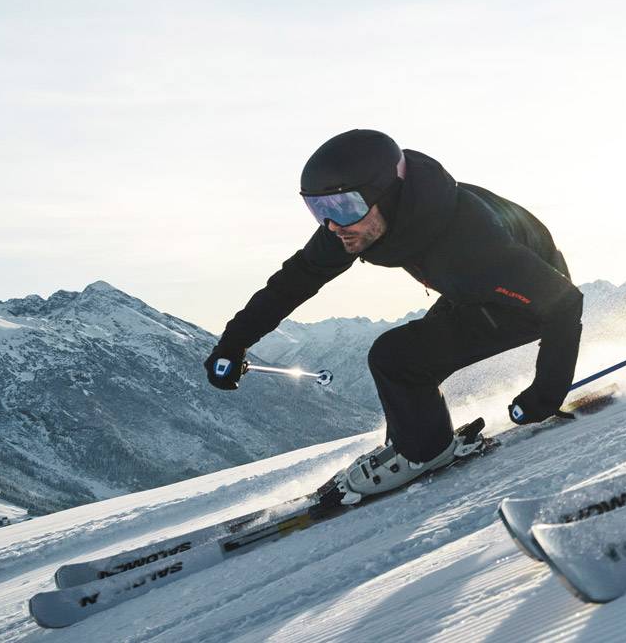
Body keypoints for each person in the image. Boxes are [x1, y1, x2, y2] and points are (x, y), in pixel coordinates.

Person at [202, 130, 584, 502]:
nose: (333, 225)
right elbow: (295, 280)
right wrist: (234, 343)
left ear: (386, 194)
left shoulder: (469, 243)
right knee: (407, 362)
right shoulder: (360, 224)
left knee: (397, 357)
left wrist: (546, 393)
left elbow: (563, 301)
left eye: (344, 207)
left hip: (527, 300)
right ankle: (415, 440)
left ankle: (424, 452)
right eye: (319, 210)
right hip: (471, 289)